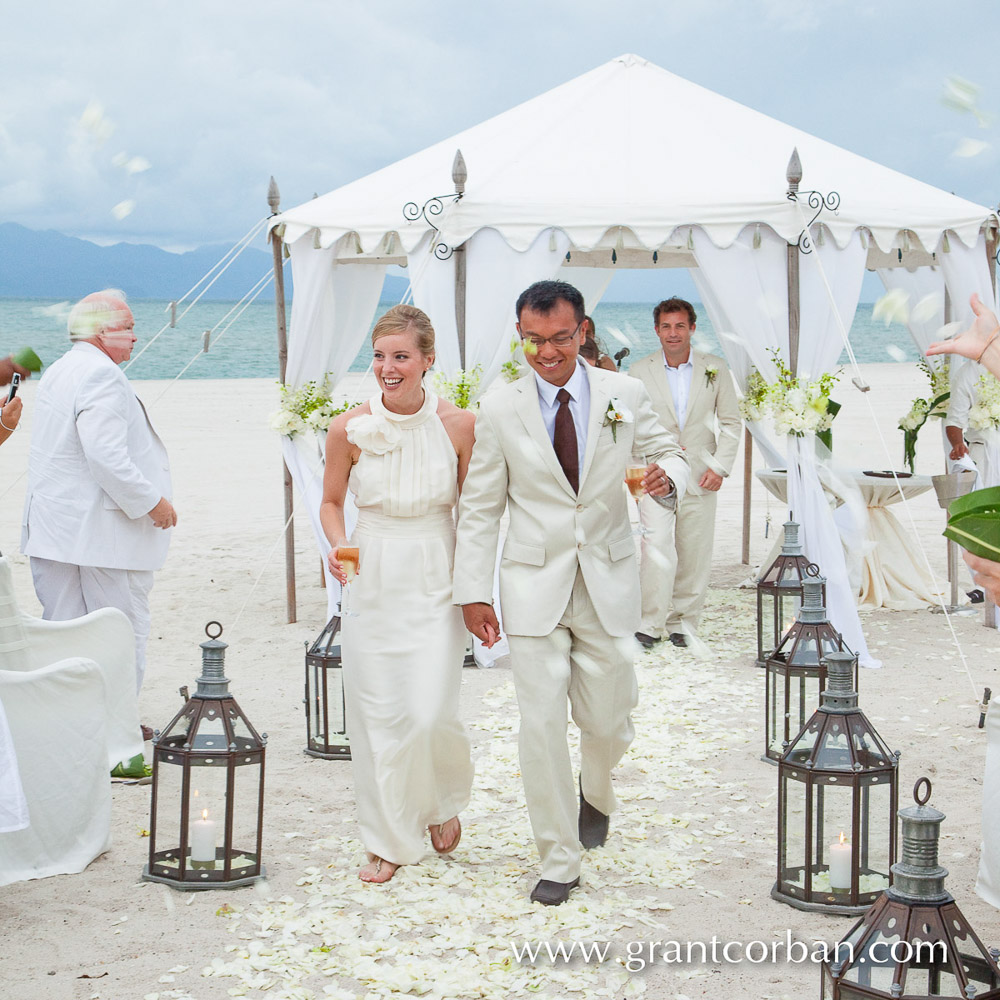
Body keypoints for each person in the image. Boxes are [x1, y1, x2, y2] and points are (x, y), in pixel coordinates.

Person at [453, 279, 688, 905]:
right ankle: (558, 858)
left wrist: (668, 480)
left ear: (583, 331)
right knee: (540, 725)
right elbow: (479, 508)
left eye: (559, 338)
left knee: (609, 719)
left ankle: (597, 789)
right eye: (532, 341)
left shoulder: (626, 393)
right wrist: (474, 591)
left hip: (609, 579)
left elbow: (669, 454)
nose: (546, 352)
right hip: (531, 584)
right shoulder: (499, 408)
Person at [320, 304, 475, 885]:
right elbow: (331, 503)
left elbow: (477, 513)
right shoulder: (347, 428)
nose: (388, 368)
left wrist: (479, 590)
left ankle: (438, 801)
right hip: (373, 573)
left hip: (438, 569)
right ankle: (386, 839)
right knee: (378, 713)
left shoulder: (462, 425)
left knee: (431, 710)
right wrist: (337, 546)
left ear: (428, 361)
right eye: (381, 356)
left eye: (401, 356)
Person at [21, 290, 175, 693]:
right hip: (101, 533)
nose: (135, 337)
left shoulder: (59, 368)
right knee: (119, 628)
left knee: (63, 628)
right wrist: (152, 503)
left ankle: (67, 713)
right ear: (102, 331)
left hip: (56, 526)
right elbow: (105, 456)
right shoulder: (101, 374)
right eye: (128, 328)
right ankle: (116, 720)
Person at [629, 297, 741, 648]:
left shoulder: (716, 367)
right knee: (655, 546)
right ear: (656, 330)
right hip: (655, 475)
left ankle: (683, 623)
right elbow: (629, 425)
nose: (673, 333)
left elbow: (732, 423)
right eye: (666, 326)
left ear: (692, 328)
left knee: (694, 550)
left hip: (700, 474)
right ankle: (650, 624)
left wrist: (719, 467)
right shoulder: (637, 371)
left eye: (680, 326)